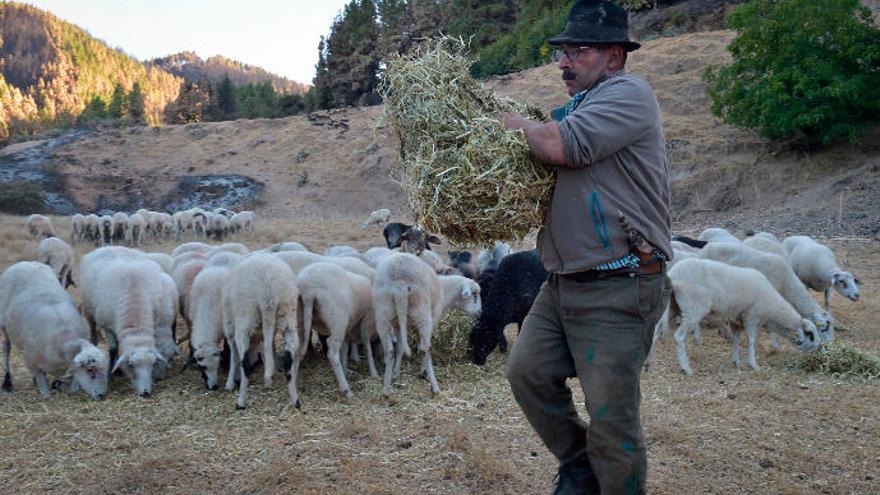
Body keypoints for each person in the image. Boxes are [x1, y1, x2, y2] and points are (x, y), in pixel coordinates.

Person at [500, 1, 672, 494]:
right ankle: (579, 467)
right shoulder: (580, 106)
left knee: (612, 418)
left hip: (619, 282)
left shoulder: (629, 94)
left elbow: (557, 147)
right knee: (526, 372)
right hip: (564, 282)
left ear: (614, 57)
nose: (563, 62)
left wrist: (512, 125)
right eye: (561, 52)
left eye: (577, 51)